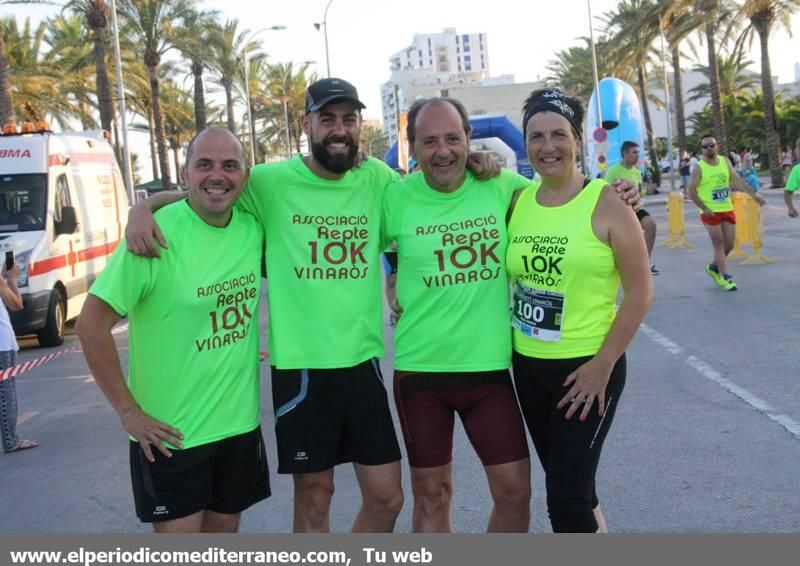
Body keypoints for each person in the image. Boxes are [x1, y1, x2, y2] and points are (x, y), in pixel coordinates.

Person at [76, 128, 270, 532]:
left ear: (245, 177)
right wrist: (128, 412)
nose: (217, 175)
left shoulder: (252, 229)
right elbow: (90, 325)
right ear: (186, 172)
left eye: (229, 166)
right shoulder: (155, 236)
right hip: (172, 437)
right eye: (205, 165)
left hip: (237, 428)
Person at [506, 88, 653, 533]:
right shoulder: (516, 201)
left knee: (565, 501)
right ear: (525, 143)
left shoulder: (608, 202)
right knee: (576, 487)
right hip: (528, 367)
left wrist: (601, 366)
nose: (547, 147)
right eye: (536, 136)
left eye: (558, 135)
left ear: (577, 141)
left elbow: (640, 292)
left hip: (587, 369)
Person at [383, 97, 532, 532]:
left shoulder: (502, 187)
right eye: (429, 141)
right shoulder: (395, 198)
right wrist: (392, 272)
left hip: (487, 371)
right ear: (413, 149)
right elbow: (360, 232)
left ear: (469, 138)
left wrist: (625, 199)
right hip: (420, 373)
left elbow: (564, 205)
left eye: (453, 138)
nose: (443, 150)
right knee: (432, 496)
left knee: (515, 493)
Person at [686, 134, 765, 291]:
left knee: (729, 245)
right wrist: (704, 207)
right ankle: (725, 277)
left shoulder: (724, 161)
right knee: (718, 242)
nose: (709, 148)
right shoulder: (699, 167)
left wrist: (754, 195)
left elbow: (736, 180)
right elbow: (691, 191)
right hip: (710, 212)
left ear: (717, 146)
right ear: (701, 150)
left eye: (712, 145)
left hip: (726, 208)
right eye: (706, 146)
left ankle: (713, 267)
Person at [605, 141, 659, 275]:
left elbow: (639, 193)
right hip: (618, 212)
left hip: (635, 209)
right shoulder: (613, 171)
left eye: (638, 153)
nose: (637, 156)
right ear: (625, 154)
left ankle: (646, 262)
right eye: (634, 152)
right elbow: (604, 193)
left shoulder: (637, 172)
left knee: (651, 225)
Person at [0, 261, 37, 454]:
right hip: (1, 343)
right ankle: (10, 440)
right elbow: (16, 304)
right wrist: (12, 279)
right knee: (6, 392)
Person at [784, 139, 800, 218]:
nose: (795, 151)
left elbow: (787, 192)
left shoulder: (797, 169)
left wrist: (791, 209)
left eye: (796, 149)